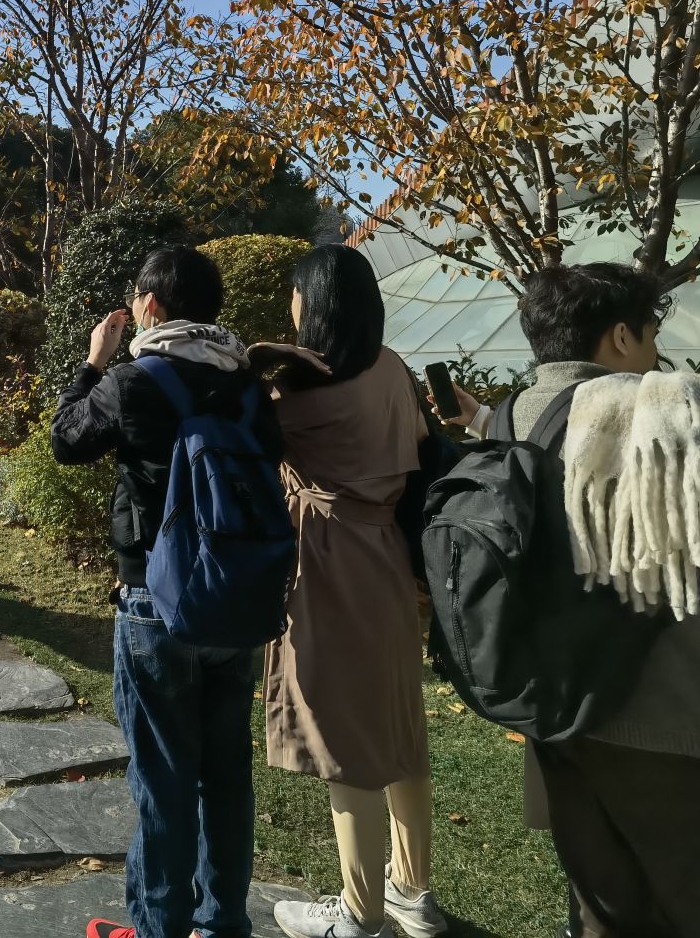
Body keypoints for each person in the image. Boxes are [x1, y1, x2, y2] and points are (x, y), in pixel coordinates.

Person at [438, 263, 700, 938]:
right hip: (680, 719)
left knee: (608, 915)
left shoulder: (512, 419)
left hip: (565, 717)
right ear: (622, 336)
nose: (655, 350)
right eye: (651, 332)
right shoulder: (664, 416)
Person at [51, 246, 283, 938]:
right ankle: (223, 924)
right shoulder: (247, 386)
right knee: (226, 775)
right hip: (235, 599)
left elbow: (67, 441)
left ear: (149, 305)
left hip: (156, 602)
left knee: (163, 779)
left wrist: (93, 361)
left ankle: (158, 928)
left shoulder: (134, 379)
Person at [246, 246, 449, 938]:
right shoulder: (393, 368)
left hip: (328, 560)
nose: (290, 304)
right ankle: (411, 891)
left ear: (316, 302)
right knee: (398, 727)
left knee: (345, 742)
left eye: (295, 292)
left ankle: (359, 914)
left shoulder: (297, 389)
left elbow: (245, 438)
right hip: (386, 555)